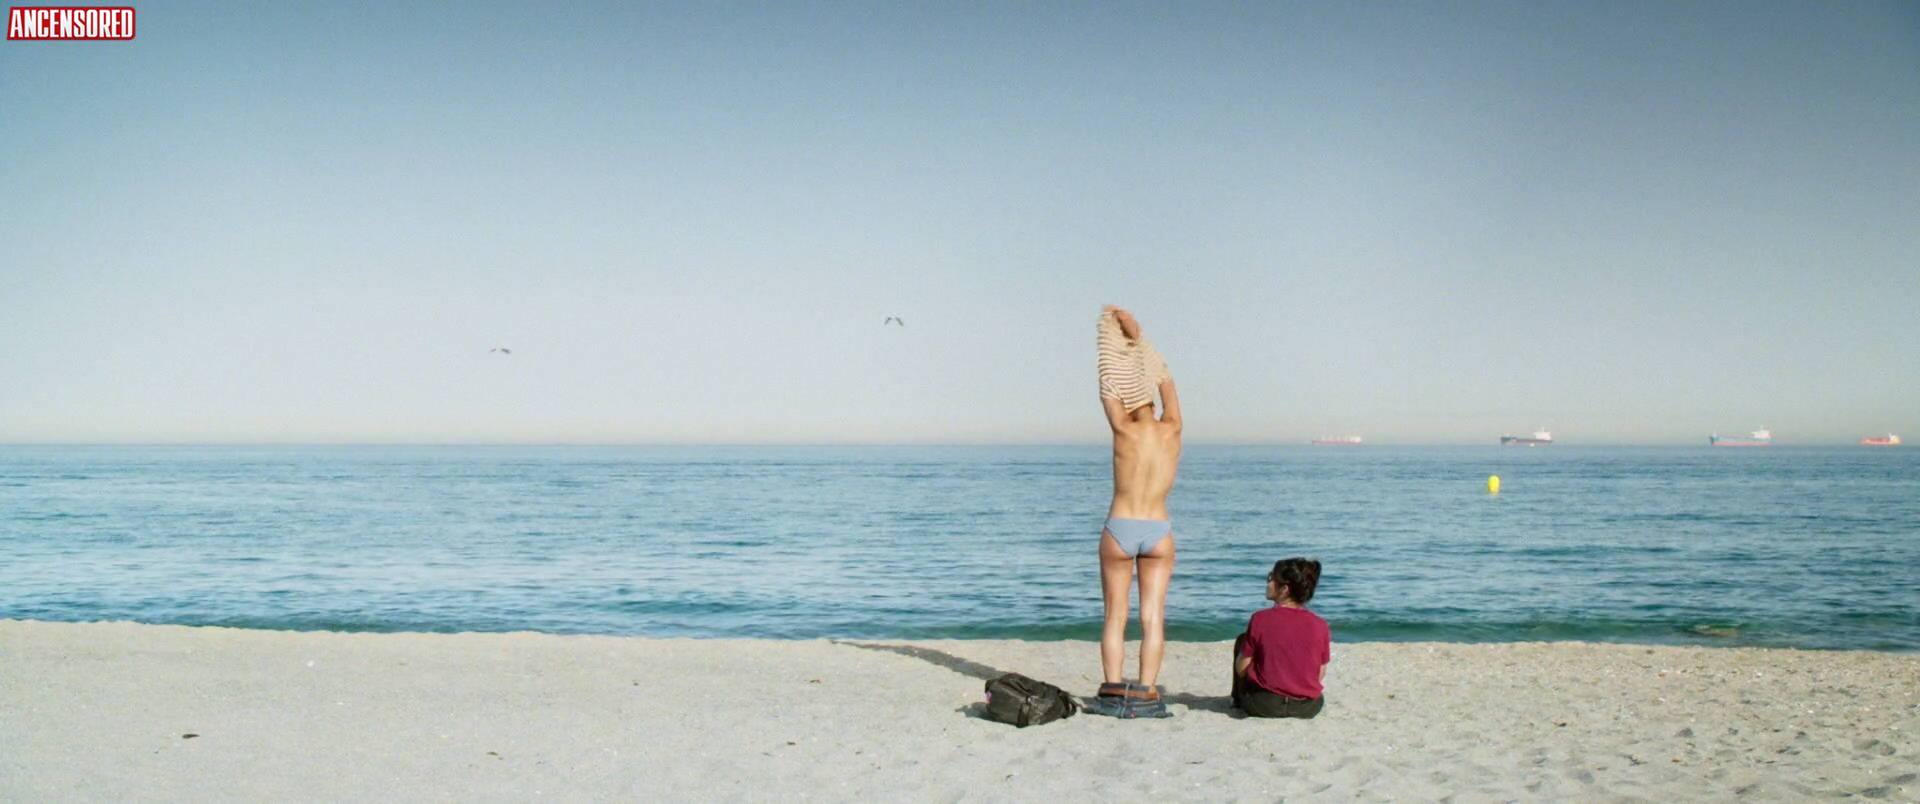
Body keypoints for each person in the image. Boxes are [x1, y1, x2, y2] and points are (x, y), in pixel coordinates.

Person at [1093, 306, 1182, 703]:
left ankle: (1113, 684)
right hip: (1158, 529)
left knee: (1115, 616)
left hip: (1120, 526)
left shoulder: (1122, 428)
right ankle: (1146, 687)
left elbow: (1108, 384)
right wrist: (1141, 341)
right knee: (1152, 617)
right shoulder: (1173, 429)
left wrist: (1115, 339)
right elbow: (1167, 381)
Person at [1232, 558, 1329, 718]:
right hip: (1307, 707)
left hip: (1263, 705)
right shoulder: (1321, 624)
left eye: (1271, 578)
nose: (1268, 583)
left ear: (1284, 589)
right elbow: (1320, 673)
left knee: (1242, 640)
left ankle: (1236, 700)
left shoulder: (1260, 619)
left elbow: (1241, 670)